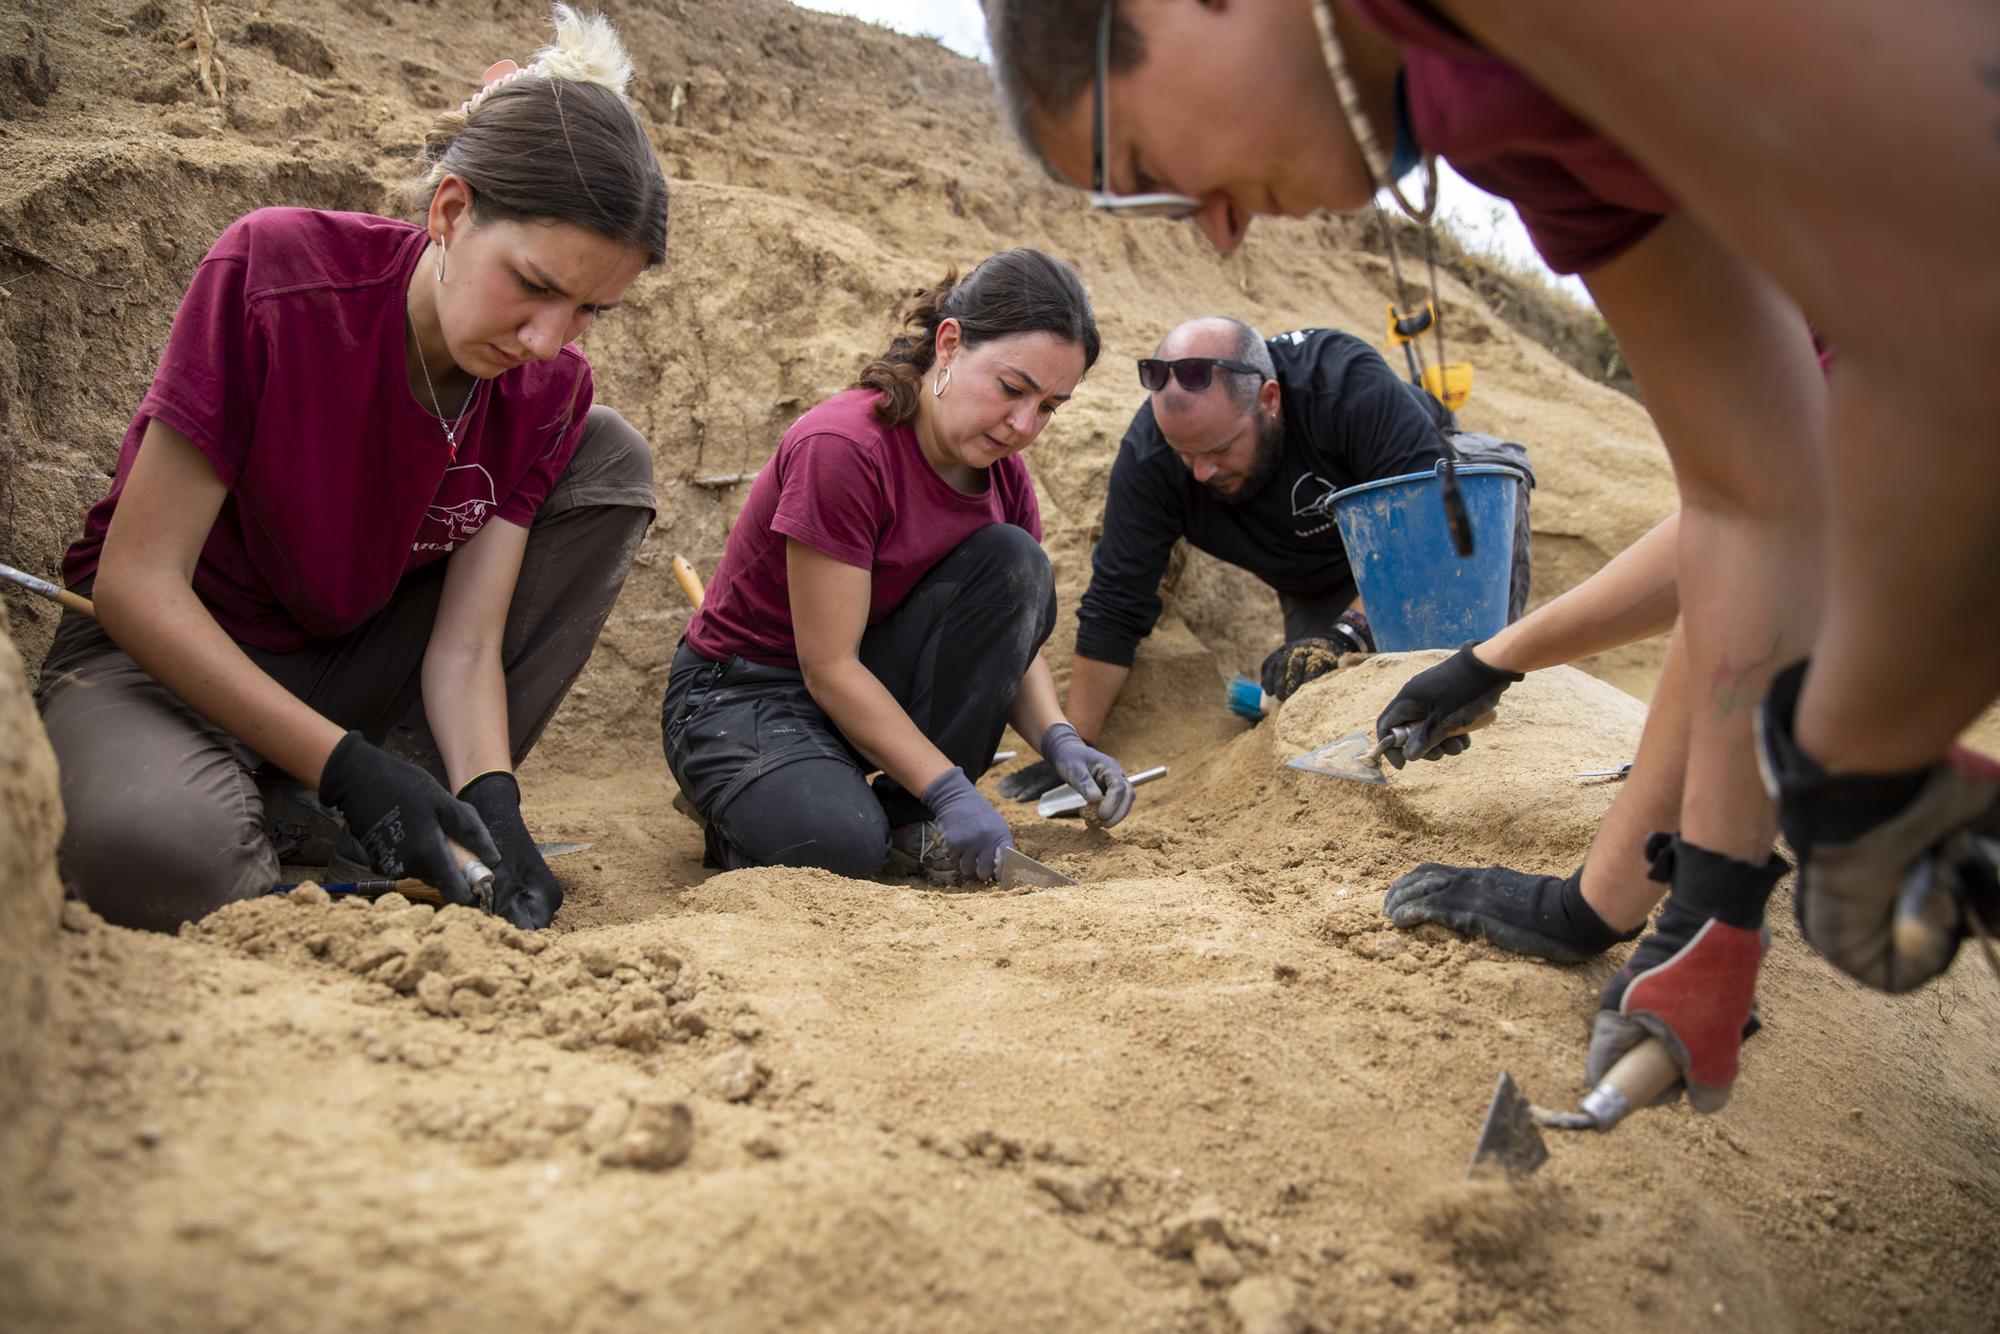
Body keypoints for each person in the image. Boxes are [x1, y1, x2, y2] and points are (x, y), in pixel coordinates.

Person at [980, 0, 2000, 1114]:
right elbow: (1751, 506)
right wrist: (1663, 902)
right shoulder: (1518, 130)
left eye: (1147, 167)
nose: (1218, 227)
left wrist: (1858, 751)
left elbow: (1961, 317)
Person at [36, 5, 667, 933]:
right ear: (450, 211)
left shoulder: (547, 388)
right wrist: (349, 770)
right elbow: (135, 583)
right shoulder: (280, 275)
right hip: (163, 663)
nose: (547, 340)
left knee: (611, 452)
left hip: (347, 669)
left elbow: (462, 648)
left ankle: (386, 812)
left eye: (589, 311)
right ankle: (331, 803)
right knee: (158, 855)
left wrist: (494, 799)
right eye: (534, 285)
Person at [661, 249, 1136, 883]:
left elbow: (1006, 641)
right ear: (950, 342)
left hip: (862, 681)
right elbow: (826, 665)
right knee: (840, 847)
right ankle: (746, 800)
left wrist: (1060, 739)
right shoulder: (844, 449)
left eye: (1050, 406)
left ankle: (907, 817)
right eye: (1012, 388)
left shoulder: (1002, 474)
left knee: (1015, 562)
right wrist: (950, 788)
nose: (1024, 424)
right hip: (747, 691)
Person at [1002, 314, 1532, 801]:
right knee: (1323, 703)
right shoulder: (1151, 458)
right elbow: (1116, 606)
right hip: (1317, 570)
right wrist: (1071, 744)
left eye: (1218, 451)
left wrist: (1346, 632)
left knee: (1451, 666)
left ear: (1270, 400)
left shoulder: (1344, 384)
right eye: (1184, 454)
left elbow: (1428, 538)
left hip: (1437, 509)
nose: (1199, 473)